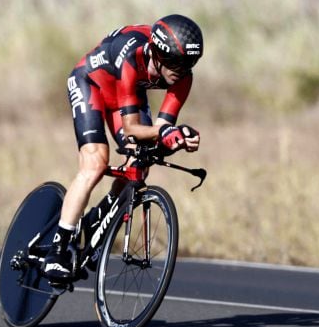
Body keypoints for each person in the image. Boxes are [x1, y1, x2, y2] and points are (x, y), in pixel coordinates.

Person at [43, 14, 204, 282]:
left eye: (190, 63)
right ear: (157, 53)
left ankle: (101, 213)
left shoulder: (183, 77)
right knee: (96, 164)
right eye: (176, 62)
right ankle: (58, 249)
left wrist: (177, 138)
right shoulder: (132, 55)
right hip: (90, 84)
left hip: (125, 96)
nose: (182, 70)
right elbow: (131, 128)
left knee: (141, 161)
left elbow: (161, 129)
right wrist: (165, 133)